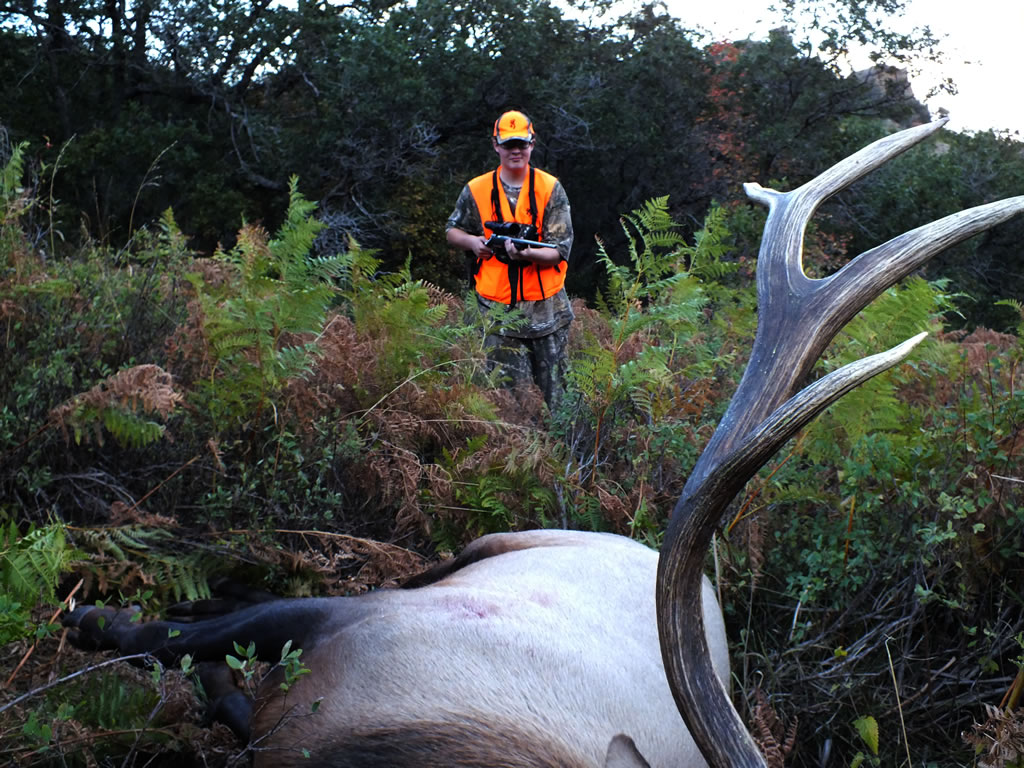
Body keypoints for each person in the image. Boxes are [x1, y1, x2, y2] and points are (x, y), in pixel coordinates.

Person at [445, 110, 574, 410]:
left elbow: (559, 250)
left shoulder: (550, 188)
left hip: (548, 315)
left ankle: (563, 453)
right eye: (508, 144)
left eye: (522, 143)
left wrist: (526, 253)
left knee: (558, 402)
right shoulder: (476, 190)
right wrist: (474, 242)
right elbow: (452, 231)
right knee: (506, 403)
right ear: (496, 145)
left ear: (532, 144)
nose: (516, 150)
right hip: (496, 314)